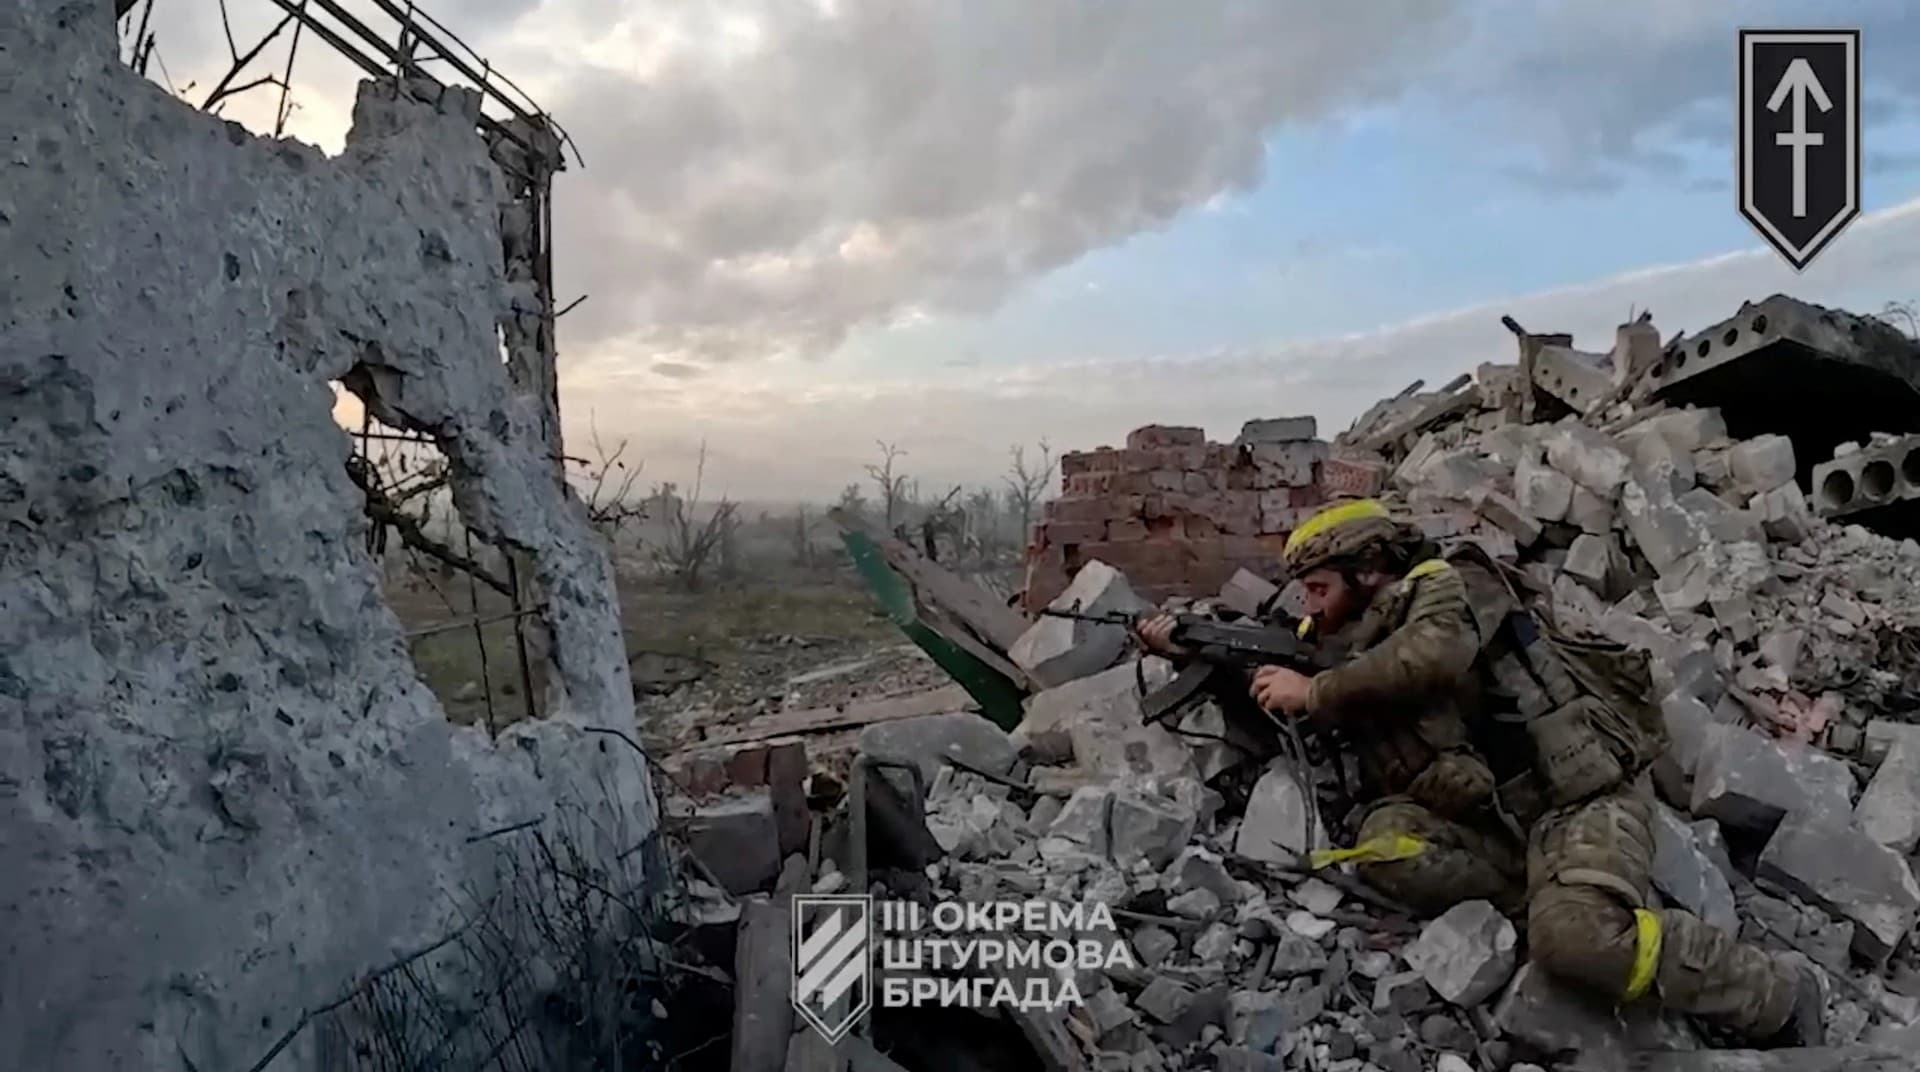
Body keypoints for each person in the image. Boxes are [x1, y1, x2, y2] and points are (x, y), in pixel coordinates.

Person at [1135, 498, 1824, 1047]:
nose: (1308, 608)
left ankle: (1777, 993)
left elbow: (1433, 657)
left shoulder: (1451, 585)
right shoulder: (1343, 647)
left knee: (1577, 940)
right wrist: (1192, 652)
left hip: (1574, 801)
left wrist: (1312, 690)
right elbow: (1282, 721)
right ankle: (1539, 900)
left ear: (1370, 567)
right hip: (1490, 821)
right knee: (1379, 843)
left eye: (1318, 588)